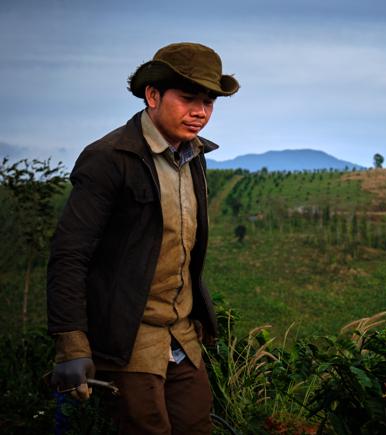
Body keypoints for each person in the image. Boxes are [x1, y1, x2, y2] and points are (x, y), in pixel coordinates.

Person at [46, 42, 239, 434]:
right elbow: (70, 254)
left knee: (197, 423)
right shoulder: (110, 158)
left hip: (181, 335)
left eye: (208, 101)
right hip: (127, 339)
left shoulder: (193, 157)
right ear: (153, 95)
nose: (200, 112)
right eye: (188, 98)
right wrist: (72, 344)